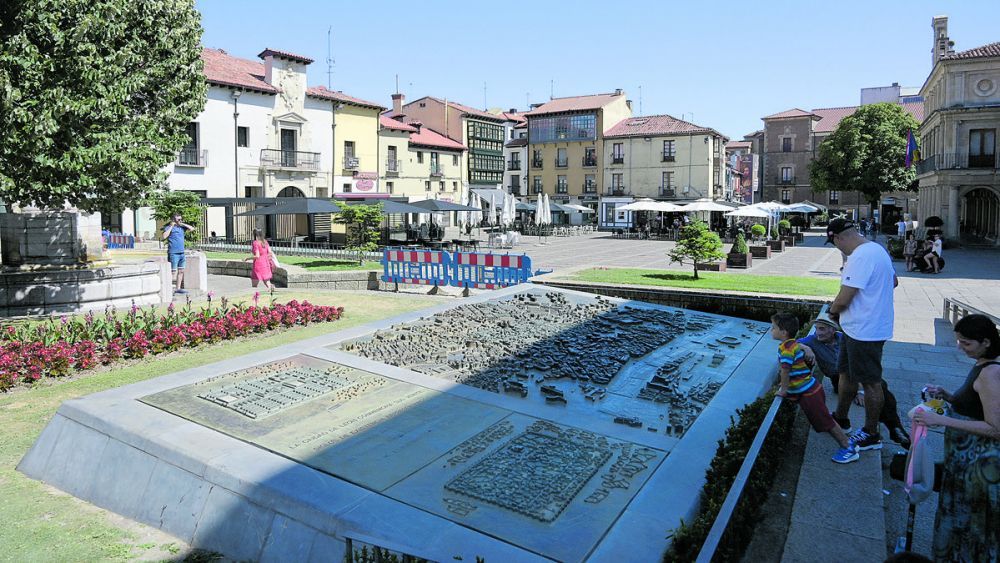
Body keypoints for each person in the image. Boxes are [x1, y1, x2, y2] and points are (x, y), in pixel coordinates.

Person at [911, 314, 999, 562]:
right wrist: (948, 396)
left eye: (966, 343)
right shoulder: (981, 365)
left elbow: (996, 428)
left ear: (986, 342)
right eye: (959, 341)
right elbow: (975, 405)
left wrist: (941, 420)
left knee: (971, 525)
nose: (960, 347)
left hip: (979, 468)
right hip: (965, 464)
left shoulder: (991, 374)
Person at [827, 218, 897, 453]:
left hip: (865, 331)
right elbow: (894, 281)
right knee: (846, 373)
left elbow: (844, 297)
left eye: (835, 243)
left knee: (870, 382)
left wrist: (832, 311)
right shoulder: (877, 249)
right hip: (857, 327)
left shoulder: (860, 256)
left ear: (838, 238)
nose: (838, 248)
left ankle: (871, 433)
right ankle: (841, 417)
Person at [799, 311, 911, 449]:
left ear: (833, 330)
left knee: (880, 383)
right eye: (816, 328)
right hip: (838, 378)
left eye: (822, 328)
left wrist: (860, 390)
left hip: (855, 375)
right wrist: (805, 348)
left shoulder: (843, 338)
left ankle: (894, 426)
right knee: (876, 384)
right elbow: (788, 344)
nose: (817, 332)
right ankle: (894, 428)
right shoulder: (812, 341)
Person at [771, 312, 858, 464]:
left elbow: (785, 371)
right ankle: (847, 441)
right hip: (812, 388)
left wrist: (783, 390)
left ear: (783, 332)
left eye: (773, 328)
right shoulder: (792, 344)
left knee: (827, 422)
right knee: (824, 419)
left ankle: (848, 447)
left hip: (809, 394)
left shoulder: (786, 350)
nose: (771, 330)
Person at [161, 213, 195, 294]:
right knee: (172, 272)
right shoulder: (168, 228)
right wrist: (172, 226)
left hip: (181, 253)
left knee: (181, 271)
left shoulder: (182, 228)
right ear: (173, 220)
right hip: (173, 253)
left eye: (180, 219)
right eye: (178, 219)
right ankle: (169, 289)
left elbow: (192, 229)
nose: (179, 221)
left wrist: (182, 223)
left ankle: (178, 288)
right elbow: (164, 236)